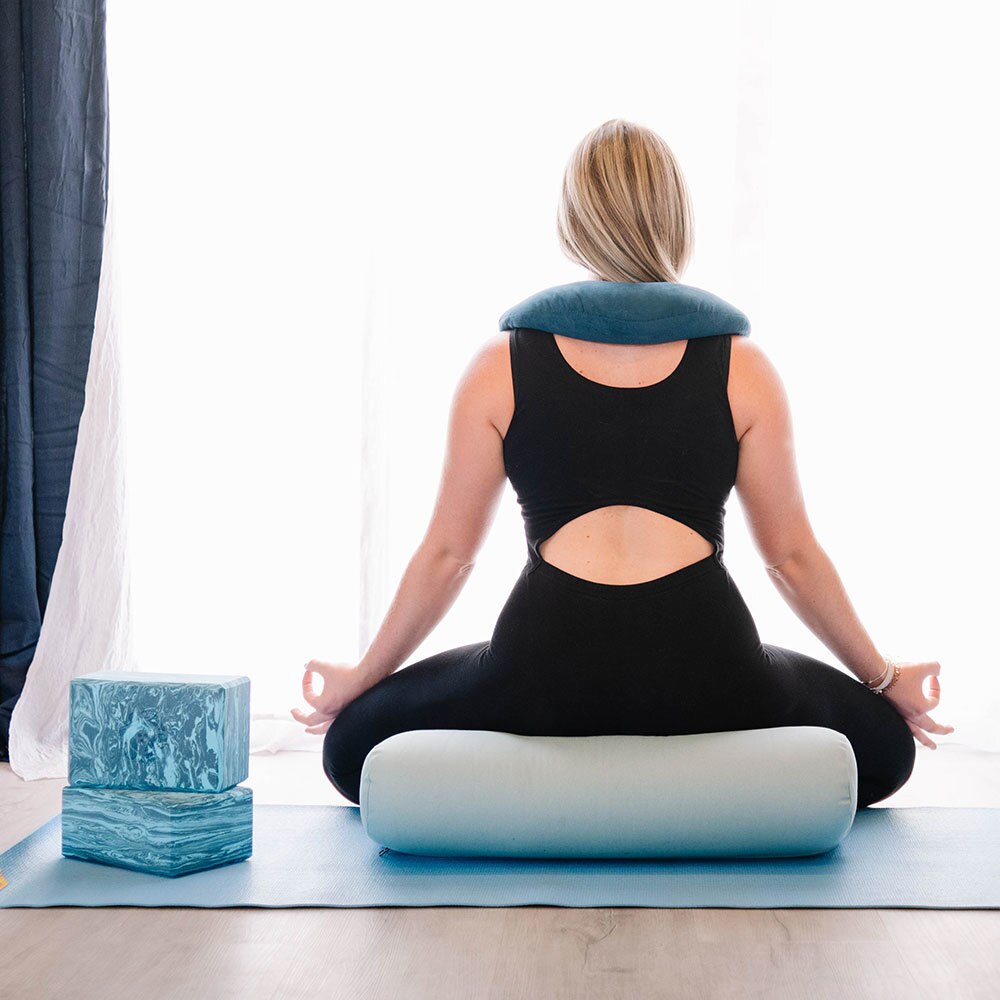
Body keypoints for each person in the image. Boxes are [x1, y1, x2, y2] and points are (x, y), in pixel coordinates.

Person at [292, 118, 953, 807]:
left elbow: (448, 556)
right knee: (886, 749)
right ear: (677, 219)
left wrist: (363, 676)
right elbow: (791, 558)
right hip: (707, 665)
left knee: (350, 749)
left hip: (545, 667)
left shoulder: (499, 366)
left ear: (573, 223)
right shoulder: (744, 369)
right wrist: (885, 678)